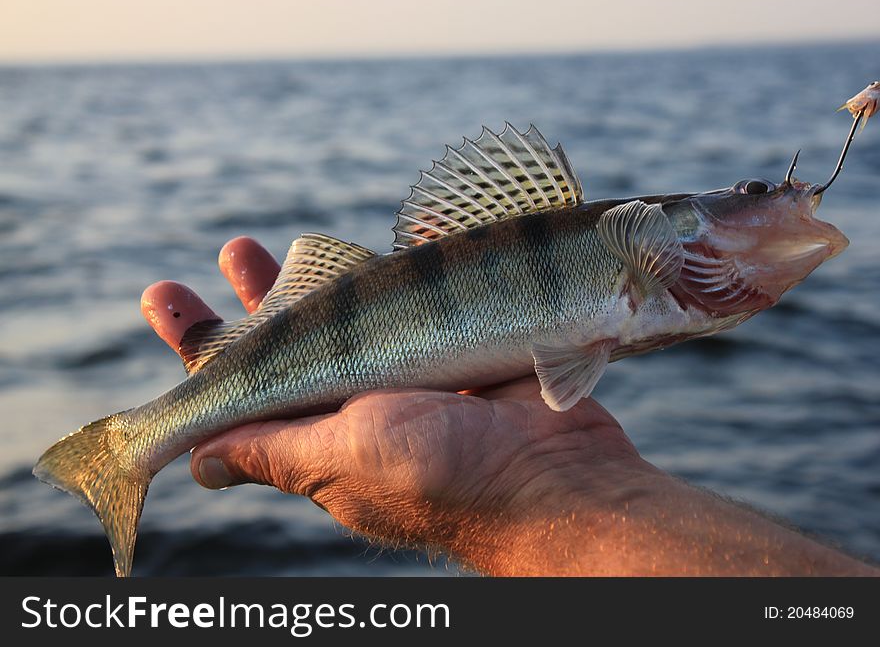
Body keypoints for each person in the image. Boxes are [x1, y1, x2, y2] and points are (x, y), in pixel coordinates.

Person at [140, 236, 877, 576]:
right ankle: (130, 450)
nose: (760, 210)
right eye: (746, 194)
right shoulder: (642, 265)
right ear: (652, 244)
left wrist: (539, 486)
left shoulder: (649, 277)